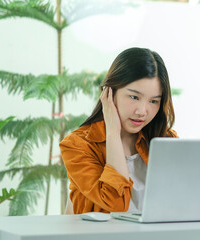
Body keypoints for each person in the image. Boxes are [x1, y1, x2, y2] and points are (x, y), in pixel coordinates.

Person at [60, 47, 177, 214]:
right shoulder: (78, 145)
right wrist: (113, 133)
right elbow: (116, 204)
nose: (142, 111)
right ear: (110, 92)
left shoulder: (165, 140)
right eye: (134, 97)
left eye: (153, 101)